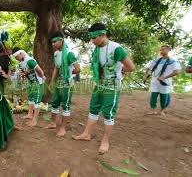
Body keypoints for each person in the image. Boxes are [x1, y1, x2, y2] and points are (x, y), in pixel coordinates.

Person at [72, 23, 135, 154]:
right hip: (99, 84)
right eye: (91, 38)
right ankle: (86, 134)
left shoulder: (116, 48)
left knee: (108, 113)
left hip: (112, 85)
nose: (92, 40)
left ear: (103, 34)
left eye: (94, 37)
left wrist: (118, 70)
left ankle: (105, 141)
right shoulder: (97, 49)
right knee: (94, 108)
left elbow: (131, 67)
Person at [44, 31, 81, 137]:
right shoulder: (56, 53)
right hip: (59, 83)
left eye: (55, 41)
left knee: (65, 105)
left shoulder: (69, 53)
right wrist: (52, 81)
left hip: (67, 83)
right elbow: (56, 67)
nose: (53, 44)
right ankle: (53, 123)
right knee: (54, 102)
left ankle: (63, 128)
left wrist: (68, 73)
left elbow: (78, 69)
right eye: (52, 42)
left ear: (62, 40)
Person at [12, 47, 46, 127]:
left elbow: (40, 71)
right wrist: (26, 74)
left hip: (38, 83)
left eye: (17, 57)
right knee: (31, 98)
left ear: (21, 53)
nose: (17, 59)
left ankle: (34, 120)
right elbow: (24, 75)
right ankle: (30, 114)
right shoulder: (20, 64)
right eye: (16, 58)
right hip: (31, 83)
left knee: (37, 100)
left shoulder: (30, 61)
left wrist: (42, 77)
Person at [143, 45, 181, 116]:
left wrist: (165, 77)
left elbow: (177, 72)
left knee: (164, 97)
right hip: (155, 82)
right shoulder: (156, 60)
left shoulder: (173, 61)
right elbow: (148, 68)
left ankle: (162, 111)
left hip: (165, 82)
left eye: (163, 49)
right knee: (153, 96)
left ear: (168, 50)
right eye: (161, 50)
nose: (161, 51)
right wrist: (145, 76)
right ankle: (153, 110)